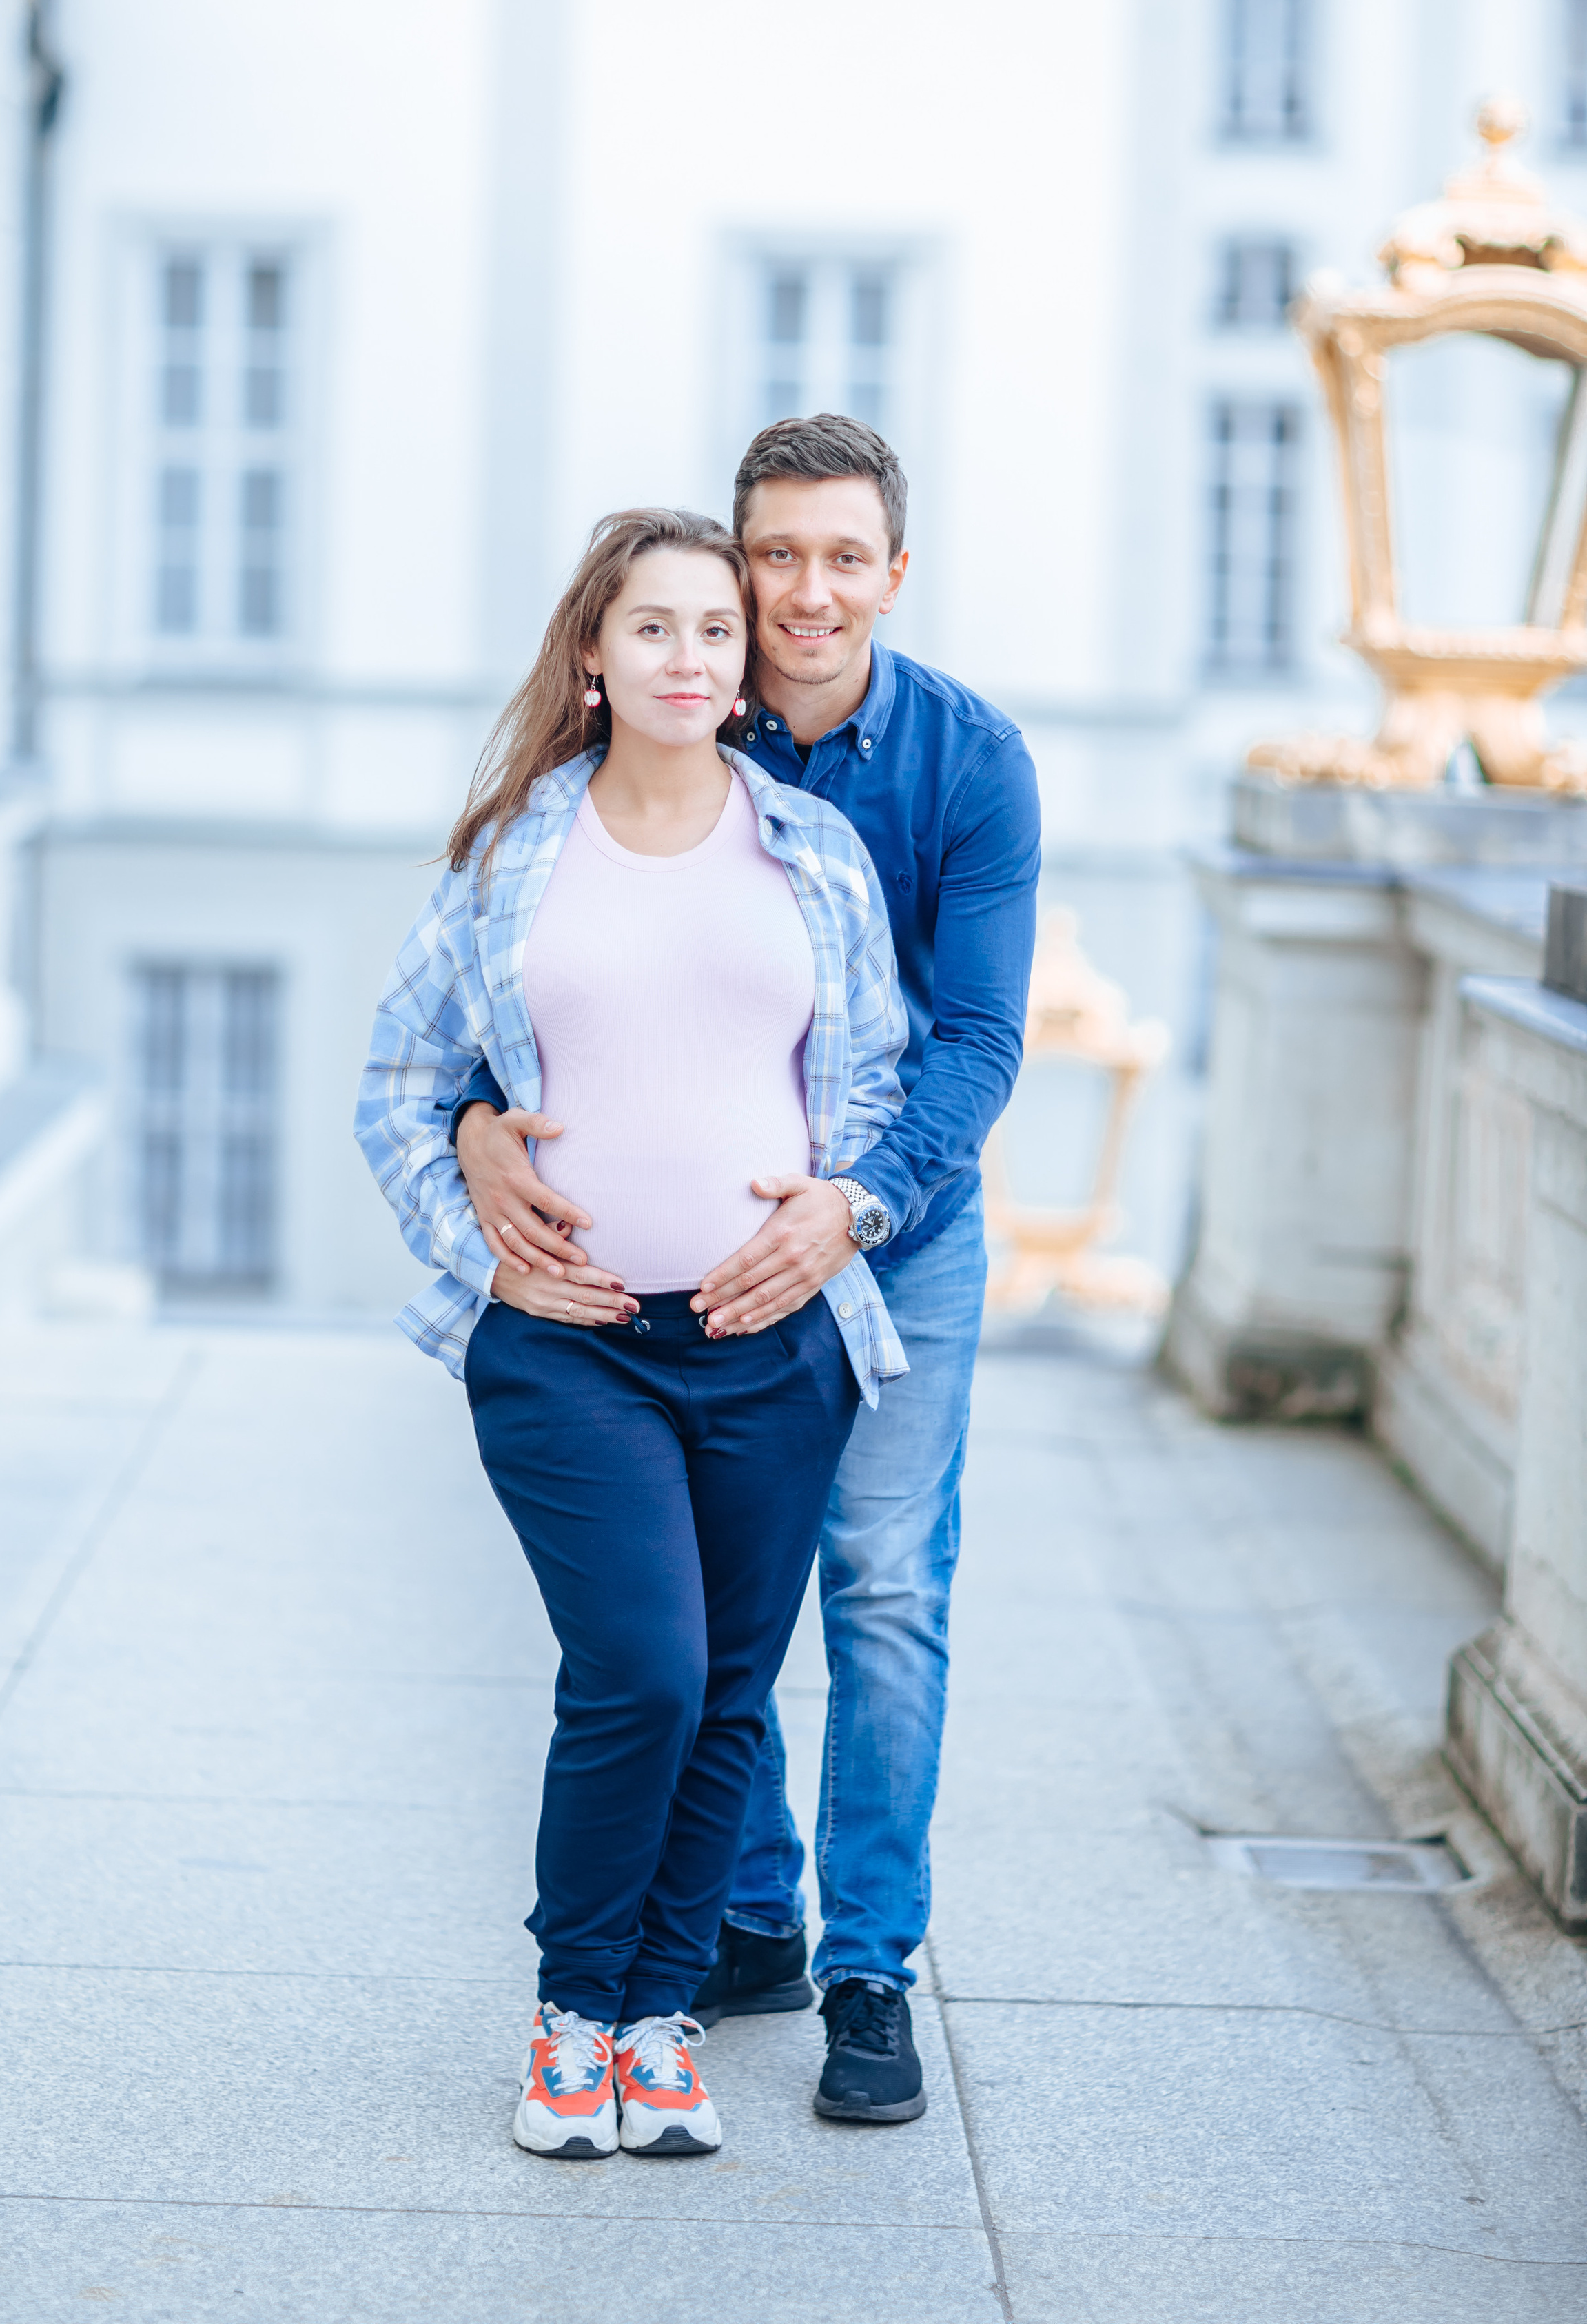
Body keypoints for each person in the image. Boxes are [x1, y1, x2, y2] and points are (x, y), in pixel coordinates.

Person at [457, 419, 1040, 2124]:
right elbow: (579, 979)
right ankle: (745, 1918)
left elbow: (983, 1036)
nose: (800, 593)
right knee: (719, 1609)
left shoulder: (963, 762)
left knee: (876, 1586)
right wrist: (484, 1123)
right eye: (771, 556)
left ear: (892, 575)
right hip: (677, 1275)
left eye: (839, 558)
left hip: (895, 1235)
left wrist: (852, 1202)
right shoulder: (661, 720)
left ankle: (866, 1970)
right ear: (727, 564)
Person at [355, 506, 910, 2163]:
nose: (690, 657)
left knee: (731, 1693)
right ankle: (570, 2013)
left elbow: (875, 1081)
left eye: (716, 633)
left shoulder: (812, 850)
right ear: (590, 658)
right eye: (653, 629)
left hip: (773, 1348)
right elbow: (400, 1082)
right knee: (641, 1673)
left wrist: (835, 1216)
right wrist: (485, 1251)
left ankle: (662, 2023)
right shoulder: (509, 854)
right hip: (569, 1348)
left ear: (747, 670)